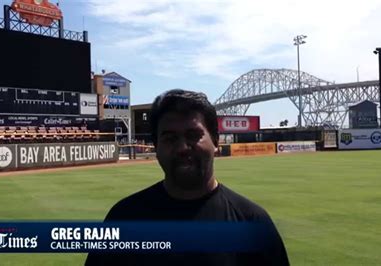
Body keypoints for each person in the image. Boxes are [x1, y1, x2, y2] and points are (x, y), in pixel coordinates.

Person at [85, 89, 289, 266]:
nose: (182, 147)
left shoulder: (253, 222)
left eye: (193, 135)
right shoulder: (123, 218)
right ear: (156, 147)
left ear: (216, 141)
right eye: (170, 138)